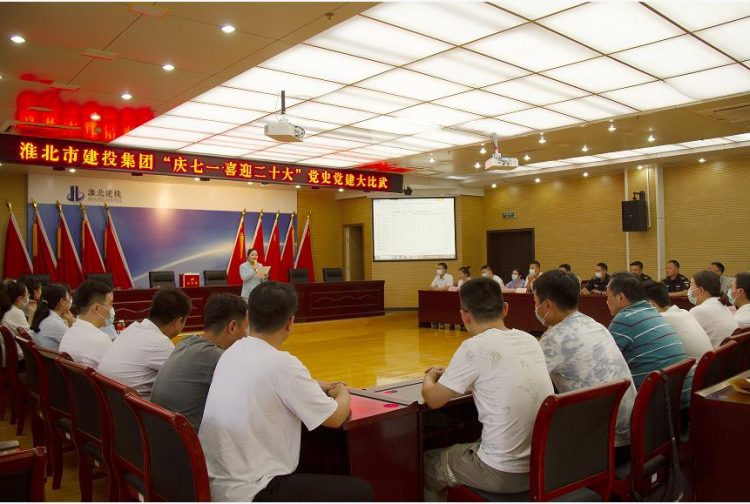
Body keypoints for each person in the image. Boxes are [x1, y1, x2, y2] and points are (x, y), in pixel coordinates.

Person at [199, 283, 373, 502]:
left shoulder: (232, 352)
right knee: (361, 490)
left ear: (249, 316)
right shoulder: (283, 364)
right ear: (290, 322)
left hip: (214, 482)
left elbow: (268, 384)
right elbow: (336, 417)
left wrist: (311, 385)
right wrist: (342, 391)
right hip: (250, 491)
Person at [422, 277, 554, 499]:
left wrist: (430, 377)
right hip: (541, 465)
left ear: (464, 316)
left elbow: (433, 400)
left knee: (427, 462)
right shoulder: (530, 340)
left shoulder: (473, 347)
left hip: (502, 473)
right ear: (505, 309)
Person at [533, 271, 636, 460]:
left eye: (536, 302)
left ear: (547, 305)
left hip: (604, 446)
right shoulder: (594, 325)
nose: (535, 308)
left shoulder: (555, 339)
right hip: (632, 432)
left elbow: (526, 382)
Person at [151, 293, 248, 431]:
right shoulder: (219, 357)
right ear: (232, 327)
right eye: (245, 328)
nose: (246, 335)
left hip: (160, 432)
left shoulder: (185, 342)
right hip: (184, 440)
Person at [606, 273, 692, 407]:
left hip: (658, 405)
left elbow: (605, 363)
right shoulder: (652, 311)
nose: (606, 301)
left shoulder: (625, 318)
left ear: (620, 297)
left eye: (608, 296)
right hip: (680, 397)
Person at [98, 288, 192, 399]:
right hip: (130, 407)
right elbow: (187, 381)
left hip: (110, 402)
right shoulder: (160, 343)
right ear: (178, 321)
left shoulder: (131, 329)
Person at [643, 281, 712, 361]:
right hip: (706, 364)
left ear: (651, 304)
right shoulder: (684, 312)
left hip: (693, 367)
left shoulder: (660, 320)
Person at [59, 280, 114, 368]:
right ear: (97, 308)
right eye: (110, 304)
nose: (111, 308)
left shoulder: (69, 333)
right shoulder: (100, 339)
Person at [688, 270, 738, 347]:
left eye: (691, 285)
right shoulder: (722, 305)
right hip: (727, 352)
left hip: (716, 352)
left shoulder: (699, 310)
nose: (690, 289)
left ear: (701, 290)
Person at [29, 283, 75, 351]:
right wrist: (71, 323)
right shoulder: (54, 323)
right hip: (50, 357)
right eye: (69, 296)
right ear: (62, 301)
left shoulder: (44, 315)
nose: (70, 299)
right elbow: (75, 344)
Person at [1, 279, 30, 366]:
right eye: (27, 295)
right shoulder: (15, 312)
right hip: (16, 358)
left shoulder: (5, 307)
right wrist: (32, 313)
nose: (28, 298)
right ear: (20, 298)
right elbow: (29, 337)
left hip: (6, 356)